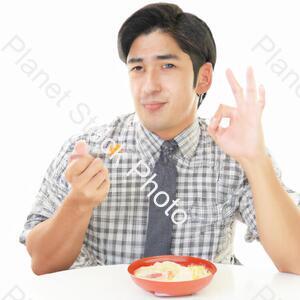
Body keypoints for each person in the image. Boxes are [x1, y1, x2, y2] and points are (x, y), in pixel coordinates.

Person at [19, 2, 300, 275]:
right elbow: (42, 264)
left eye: (167, 66)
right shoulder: (89, 152)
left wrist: (256, 160)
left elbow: (296, 260)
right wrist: (78, 203)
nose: (149, 86)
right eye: (138, 68)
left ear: (203, 78)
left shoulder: (233, 152)